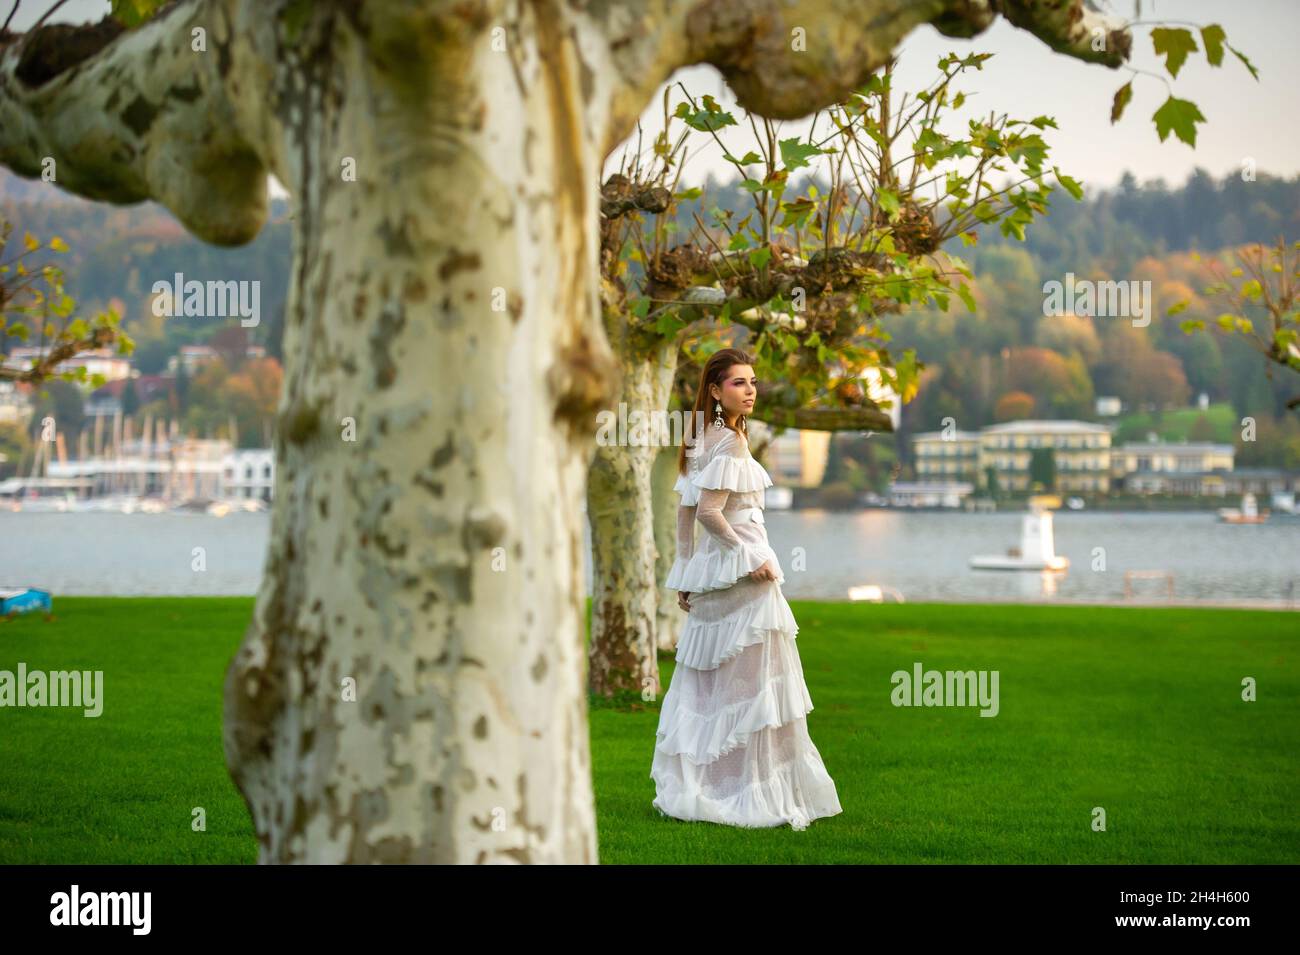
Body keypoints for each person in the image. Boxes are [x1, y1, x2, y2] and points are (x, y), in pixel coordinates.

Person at [650, 347, 842, 830]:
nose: (751, 389)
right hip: (743, 571)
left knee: (716, 685)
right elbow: (710, 513)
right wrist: (748, 557)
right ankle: (748, 791)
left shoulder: (705, 438)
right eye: (738, 382)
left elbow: (686, 515)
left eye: (753, 381)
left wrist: (688, 568)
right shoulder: (729, 444)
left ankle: (715, 784)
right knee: (755, 684)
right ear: (715, 391)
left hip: (716, 573)